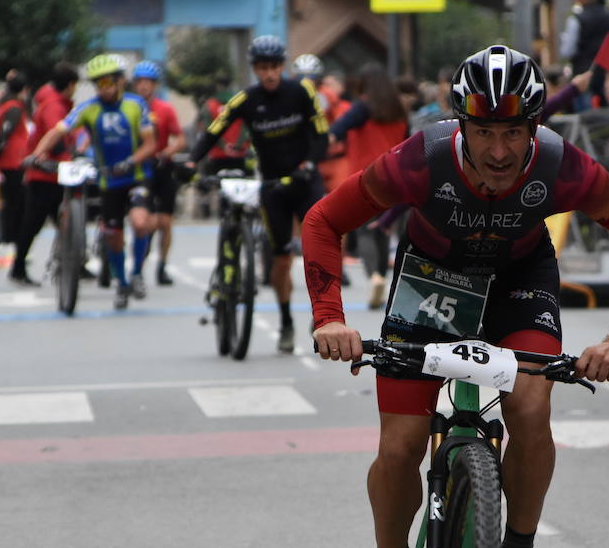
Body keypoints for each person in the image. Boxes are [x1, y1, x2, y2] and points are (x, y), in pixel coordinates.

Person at [303, 45, 609, 548]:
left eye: (513, 133)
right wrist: (329, 317)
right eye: (484, 132)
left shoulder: (562, 166)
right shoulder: (419, 160)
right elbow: (322, 220)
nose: (500, 152)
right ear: (461, 126)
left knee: (532, 405)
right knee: (402, 445)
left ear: (534, 127)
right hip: (432, 281)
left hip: (519, 282)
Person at [186, 34, 330, 353]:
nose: (269, 74)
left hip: (305, 181)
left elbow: (322, 135)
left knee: (319, 250)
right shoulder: (246, 99)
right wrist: (192, 161)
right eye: (262, 68)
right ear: (254, 69)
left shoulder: (301, 92)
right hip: (273, 186)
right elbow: (214, 130)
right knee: (281, 260)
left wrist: (309, 164)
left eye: (274, 67)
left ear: (282, 67)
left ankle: (322, 315)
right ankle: (286, 322)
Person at [27, 54, 158, 310]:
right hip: (109, 182)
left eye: (109, 82)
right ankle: (121, 283)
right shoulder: (89, 108)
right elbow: (59, 130)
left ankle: (137, 274)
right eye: (99, 84)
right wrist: (37, 153)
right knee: (113, 237)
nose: (104, 88)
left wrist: (130, 162)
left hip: (136, 176)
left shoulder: (136, 105)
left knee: (141, 223)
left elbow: (150, 143)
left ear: (121, 82)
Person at [329, 63, 409, 309]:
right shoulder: (398, 109)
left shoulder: (362, 107)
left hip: (366, 177)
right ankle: (382, 278)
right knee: (383, 230)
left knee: (364, 230)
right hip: (395, 176)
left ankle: (374, 276)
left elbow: (336, 131)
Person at [15, 63, 79, 285]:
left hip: (50, 173)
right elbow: (56, 136)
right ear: (70, 86)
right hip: (46, 174)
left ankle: (75, 262)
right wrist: (70, 154)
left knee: (64, 222)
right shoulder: (54, 106)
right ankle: (18, 267)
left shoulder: (52, 102)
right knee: (34, 223)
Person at [129, 60, 187, 291]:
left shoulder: (165, 109)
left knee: (164, 222)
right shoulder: (129, 107)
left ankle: (162, 265)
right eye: (140, 82)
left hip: (162, 168)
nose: (144, 86)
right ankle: (138, 267)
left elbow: (181, 139)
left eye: (148, 82)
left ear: (154, 85)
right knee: (145, 222)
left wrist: (167, 152)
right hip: (139, 168)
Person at [0, 72, 31, 277]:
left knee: (14, 205)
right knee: (17, 206)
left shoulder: (5, 106)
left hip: (9, 162)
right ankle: (11, 244)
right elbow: (4, 135)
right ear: (24, 90)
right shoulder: (14, 108)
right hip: (13, 163)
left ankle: (11, 244)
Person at [559, 0, 609, 110]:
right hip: (604, 74)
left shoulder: (576, 19)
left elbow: (567, 51)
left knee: (584, 118)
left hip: (583, 76)